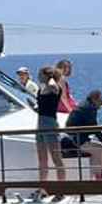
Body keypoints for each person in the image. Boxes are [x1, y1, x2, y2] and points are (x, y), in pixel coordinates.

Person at [63, 88, 102, 185]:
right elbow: (95, 128)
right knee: (98, 150)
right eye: (100, 100)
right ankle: (97, 178)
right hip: (75, 139)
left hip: (80, 137)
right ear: (94, 99)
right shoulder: (89, 108)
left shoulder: (89, 105)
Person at [34, 66, 67, 195]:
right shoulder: (42, 88)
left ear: (46, 75)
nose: (38, 76)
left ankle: (61, 189)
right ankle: (42, 189)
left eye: (40, 74)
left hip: (50, 123)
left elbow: (54, 87)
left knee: (56, 158)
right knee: (42, 160)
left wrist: (51, 79)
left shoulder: (54, 87)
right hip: (40, 124)